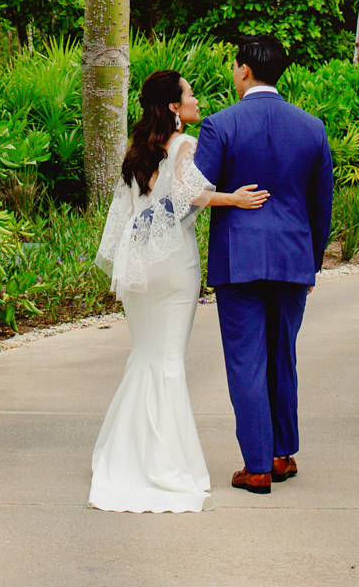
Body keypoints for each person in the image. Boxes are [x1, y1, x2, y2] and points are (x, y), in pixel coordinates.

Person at [89, 69, 270, 513]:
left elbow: (134, 209)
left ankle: (124, 455)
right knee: (167, 361)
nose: (196, 99)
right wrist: (236, 199)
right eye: (189, 94)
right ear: (173, 107)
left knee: (146, 356)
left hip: (140, 263)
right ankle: (165, 464)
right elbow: (191, 194)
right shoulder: (185, 144)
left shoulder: (137, 152)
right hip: (172, 265)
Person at [192, 33, 333, 494]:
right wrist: (311, 264)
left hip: (239, 261)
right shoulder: (312, 127)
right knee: (282, 356)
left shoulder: (220, 124)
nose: (234, 74)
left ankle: (255, 467)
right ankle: (281, 454)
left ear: (245, 70)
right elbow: (321, 205)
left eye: (235, 67)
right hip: (294, 260)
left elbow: (195, 194)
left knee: (246, 361)